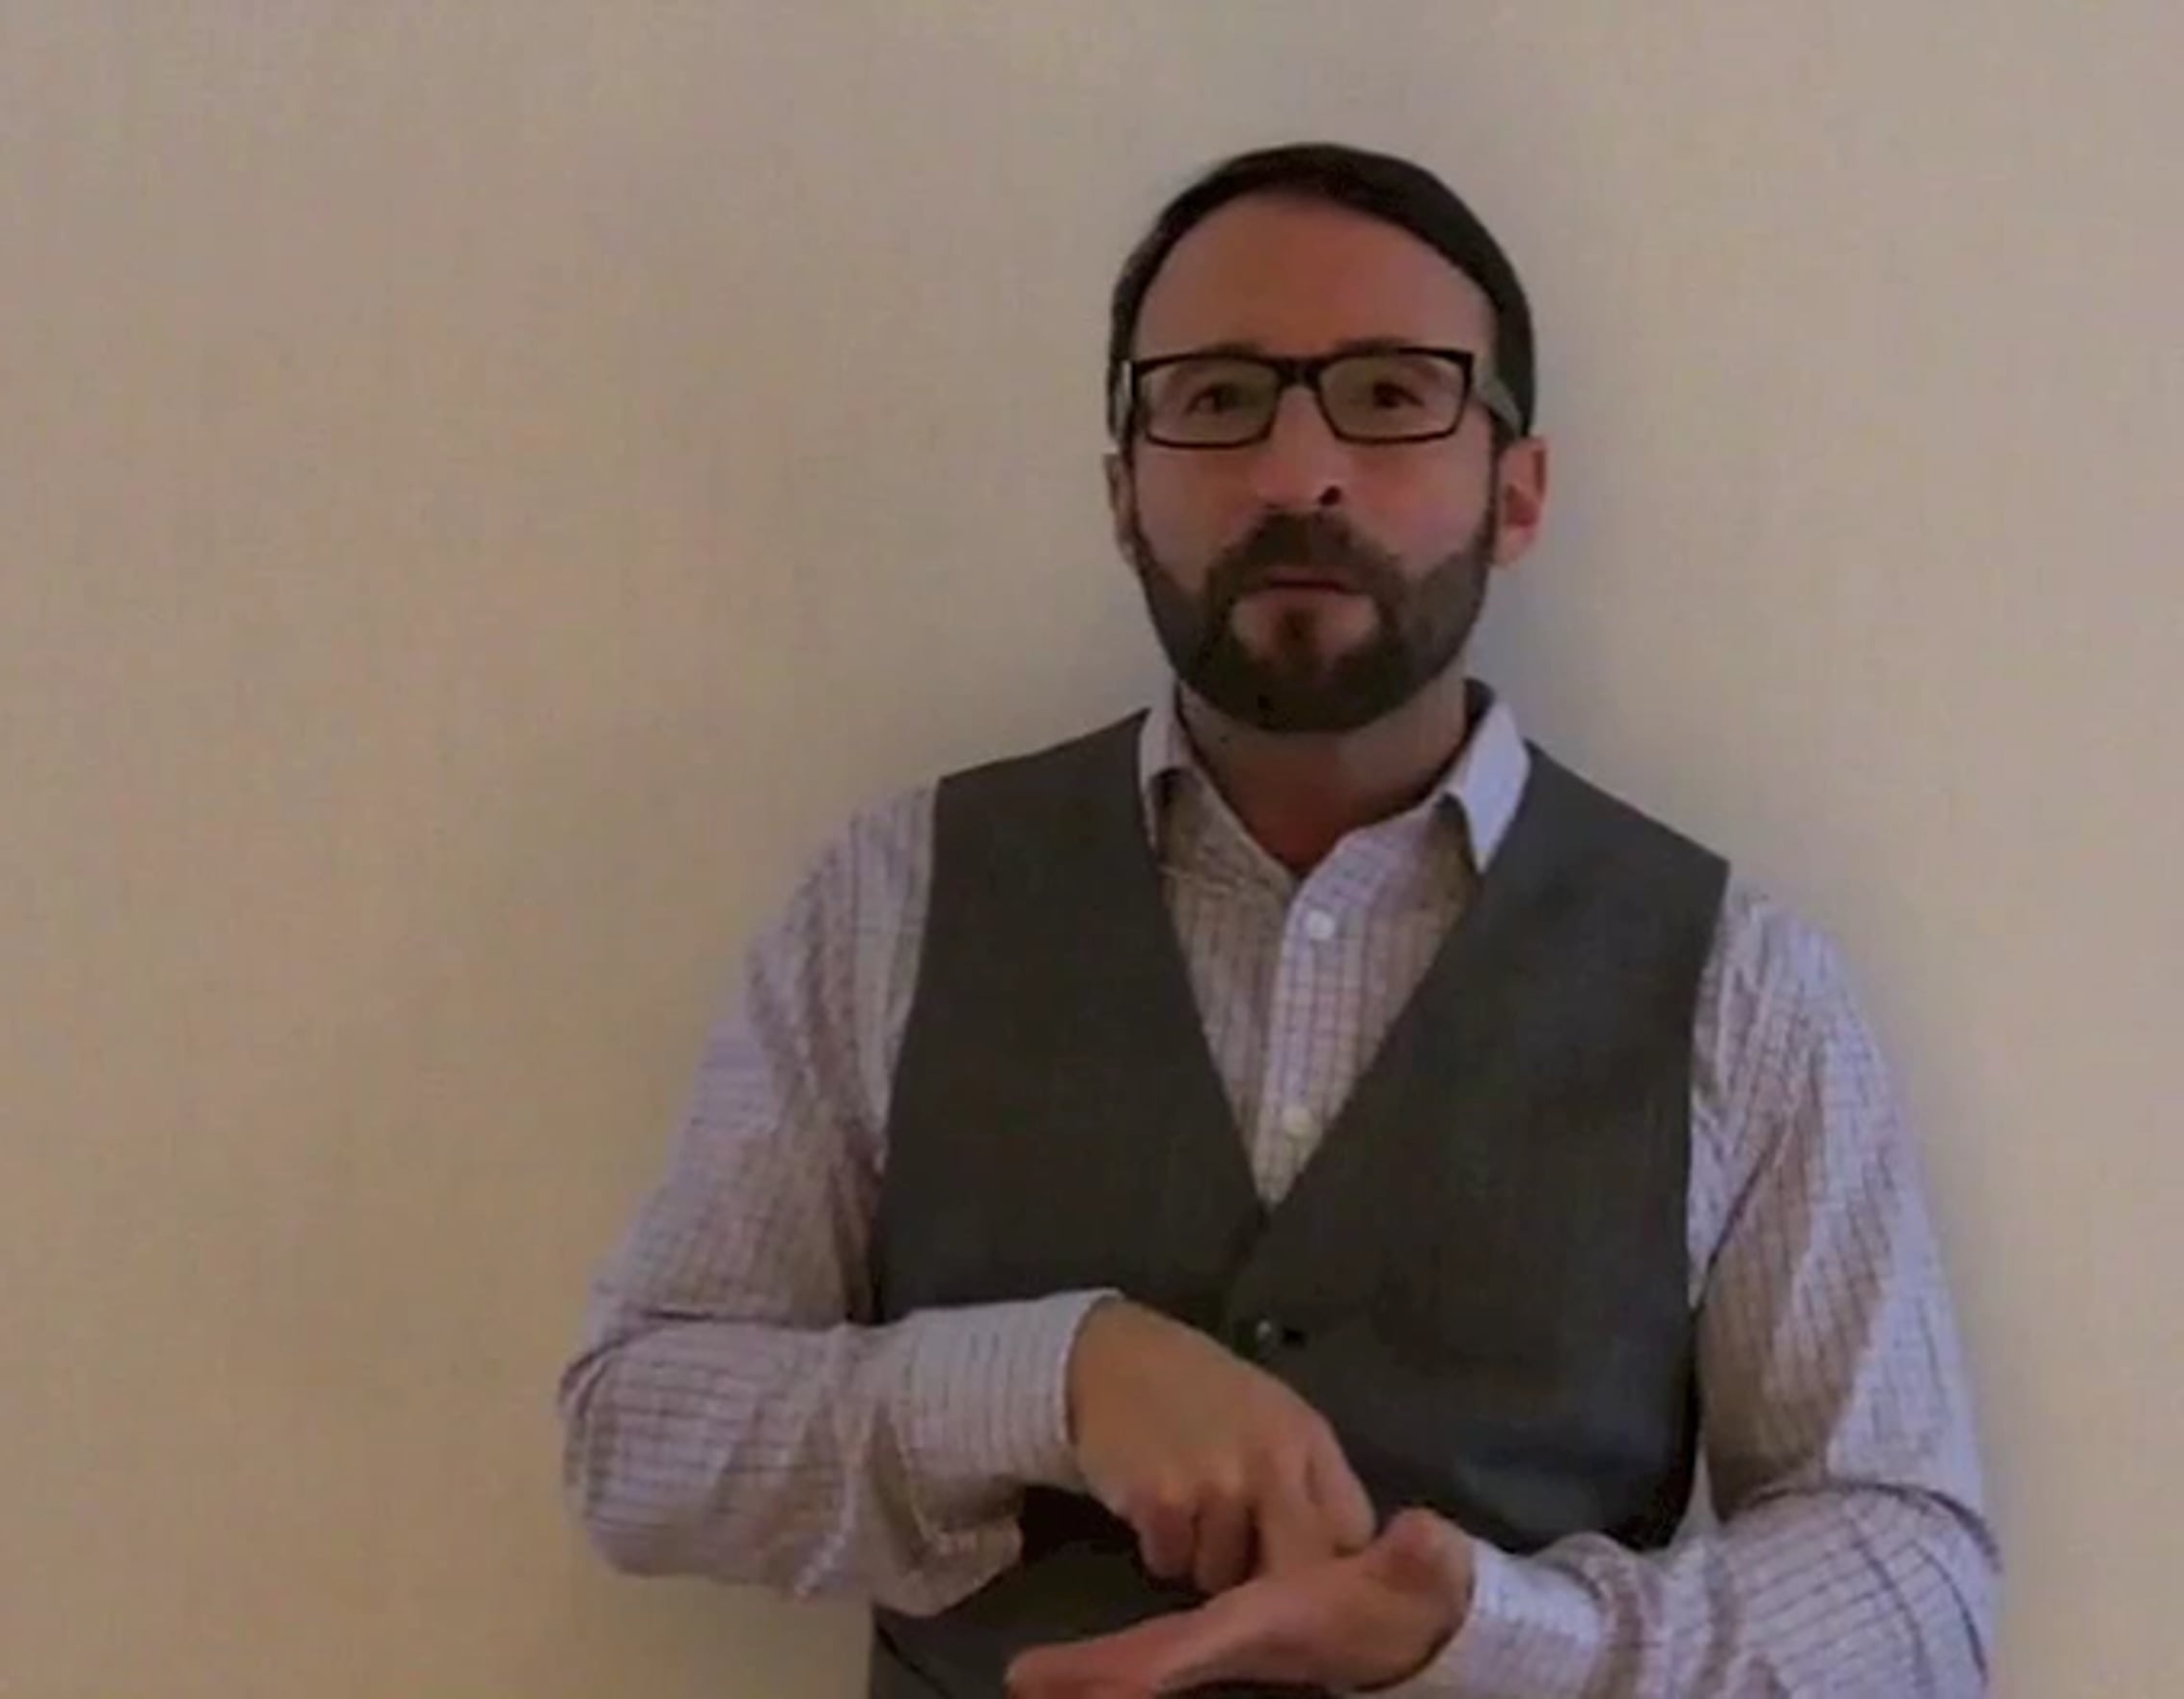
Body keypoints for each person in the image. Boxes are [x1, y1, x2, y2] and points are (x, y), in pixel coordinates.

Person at [558, 141, 1999, 1697]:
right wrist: (1048, 1375)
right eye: (1218, 397)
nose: (1297, 471)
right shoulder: (890, 897)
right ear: (1123, 494)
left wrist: (1485, 1634)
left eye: (1389, 395)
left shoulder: (1741, 980)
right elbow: (633, 1434)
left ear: (1517, 493)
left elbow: (1915, 1582)